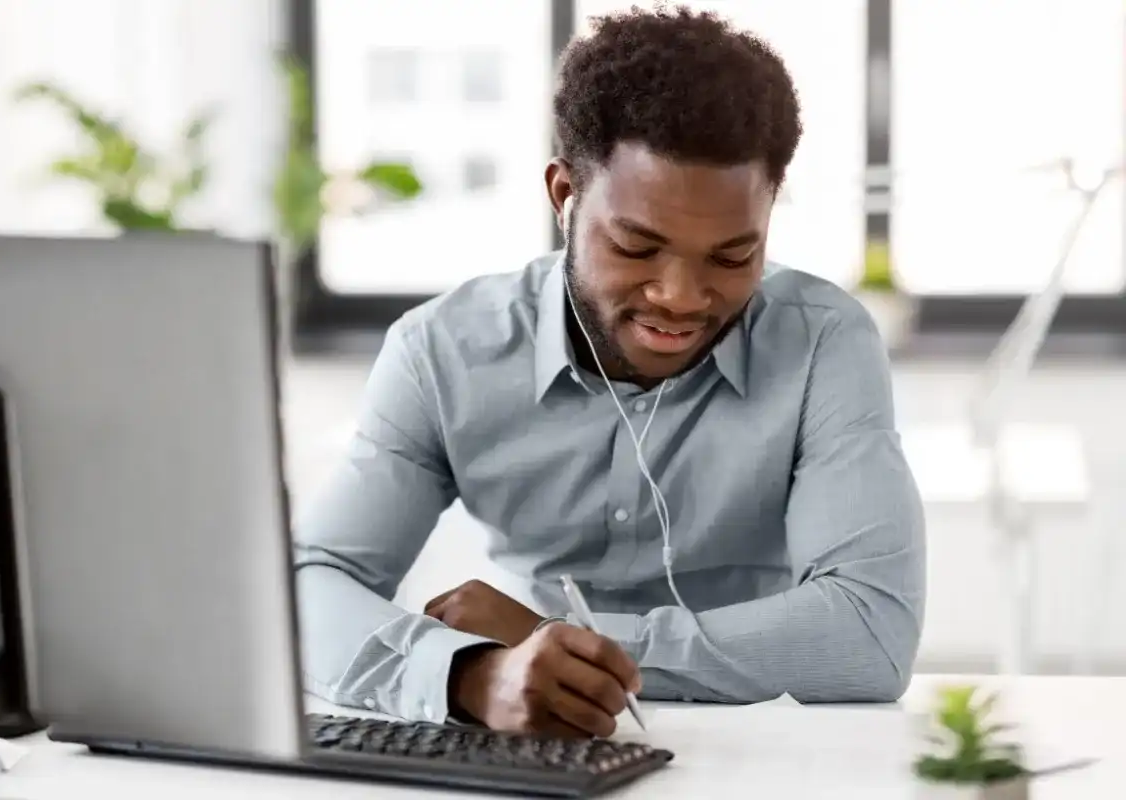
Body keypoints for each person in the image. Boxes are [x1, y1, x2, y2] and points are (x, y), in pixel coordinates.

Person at [296, 5, 925, 740]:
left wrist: (550, 638)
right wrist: (470, 672)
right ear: (564, 195)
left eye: (731, 257)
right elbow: (307, 590)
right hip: (536, 750)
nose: (681, 297)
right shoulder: (441, 353)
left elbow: (871, 633)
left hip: (761, 750)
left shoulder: (824, 342)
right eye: (636, 247)